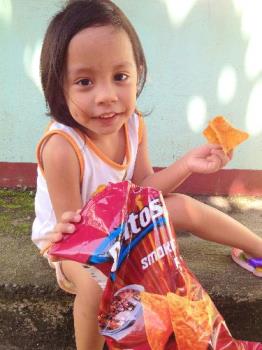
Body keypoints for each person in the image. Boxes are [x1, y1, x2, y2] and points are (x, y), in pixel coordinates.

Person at [32, 0, 262, 349]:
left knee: (181, 205)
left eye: (120, 77)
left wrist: (187, 164)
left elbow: (143, 189)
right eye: (84, 82)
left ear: (138, 72)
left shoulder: (134, 124)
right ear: (58, 87)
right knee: (95, 287)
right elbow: (73, 239)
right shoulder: (62, 147)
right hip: (76, 244)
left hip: (125, 225)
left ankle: (257, 248)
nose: (107, 96)